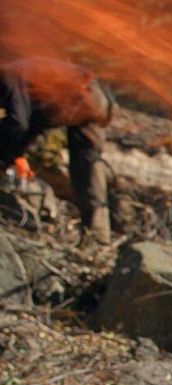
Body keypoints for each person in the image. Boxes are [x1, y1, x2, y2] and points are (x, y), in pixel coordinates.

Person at [0, 58, 115, 245]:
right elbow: (32, 124)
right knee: (88, 169)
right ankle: (97, 239)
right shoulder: (26, 81)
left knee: (87, 166)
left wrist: (8, 153)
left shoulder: (6, 77)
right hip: (95, 97)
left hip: (81, 92)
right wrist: (15, 155)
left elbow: (18, 122)